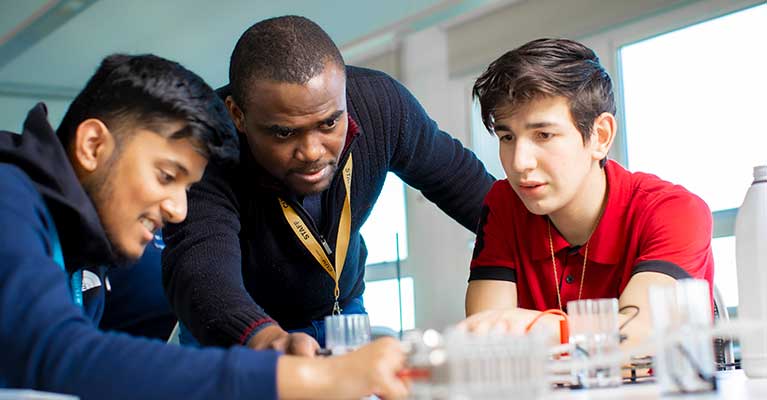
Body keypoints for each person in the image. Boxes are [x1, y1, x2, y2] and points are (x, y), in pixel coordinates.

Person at [0, 53, 408, 399]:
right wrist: (309, 378)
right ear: (93, 146)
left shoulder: (82, 263)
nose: (178, 211)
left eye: (187, 188)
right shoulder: (8, 192)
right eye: (166, 175)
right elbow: (56, 351)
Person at [162, 15, 495, 354]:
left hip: (343, 315)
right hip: (240, 332)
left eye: (329, 123)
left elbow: (470, 189)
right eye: (284, 132)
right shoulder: (203, 145)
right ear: (237, 115)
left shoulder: (382, 105)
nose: (311, 152)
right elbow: (201, 271)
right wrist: (267, 339)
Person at [460, 38, 714, 348]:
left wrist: (539, 327)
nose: (519, 163)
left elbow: (642, 338)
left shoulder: (675, 210)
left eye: (544, 135)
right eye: (507, 137)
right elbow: (487, 342)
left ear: (600, 136)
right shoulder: (504, 203)